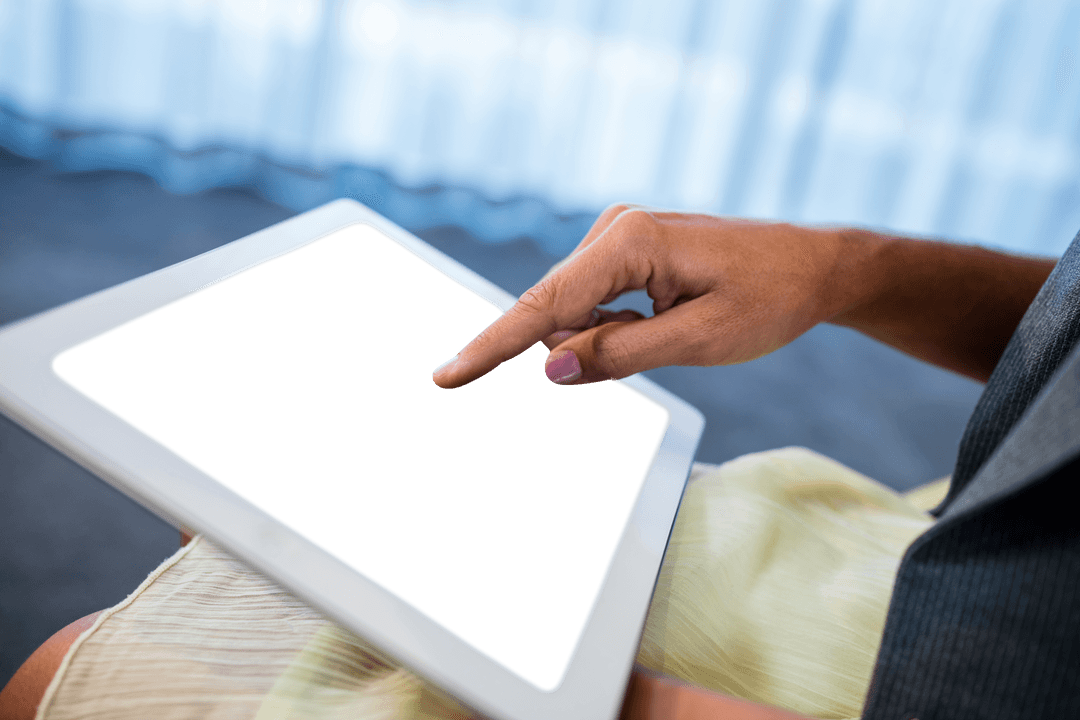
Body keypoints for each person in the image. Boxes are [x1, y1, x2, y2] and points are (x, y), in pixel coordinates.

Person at [2, 205, 1074, 720]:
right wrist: (844, 270)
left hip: (906, 679)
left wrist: (602, 702)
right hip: (905, 558)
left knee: (60, 673)